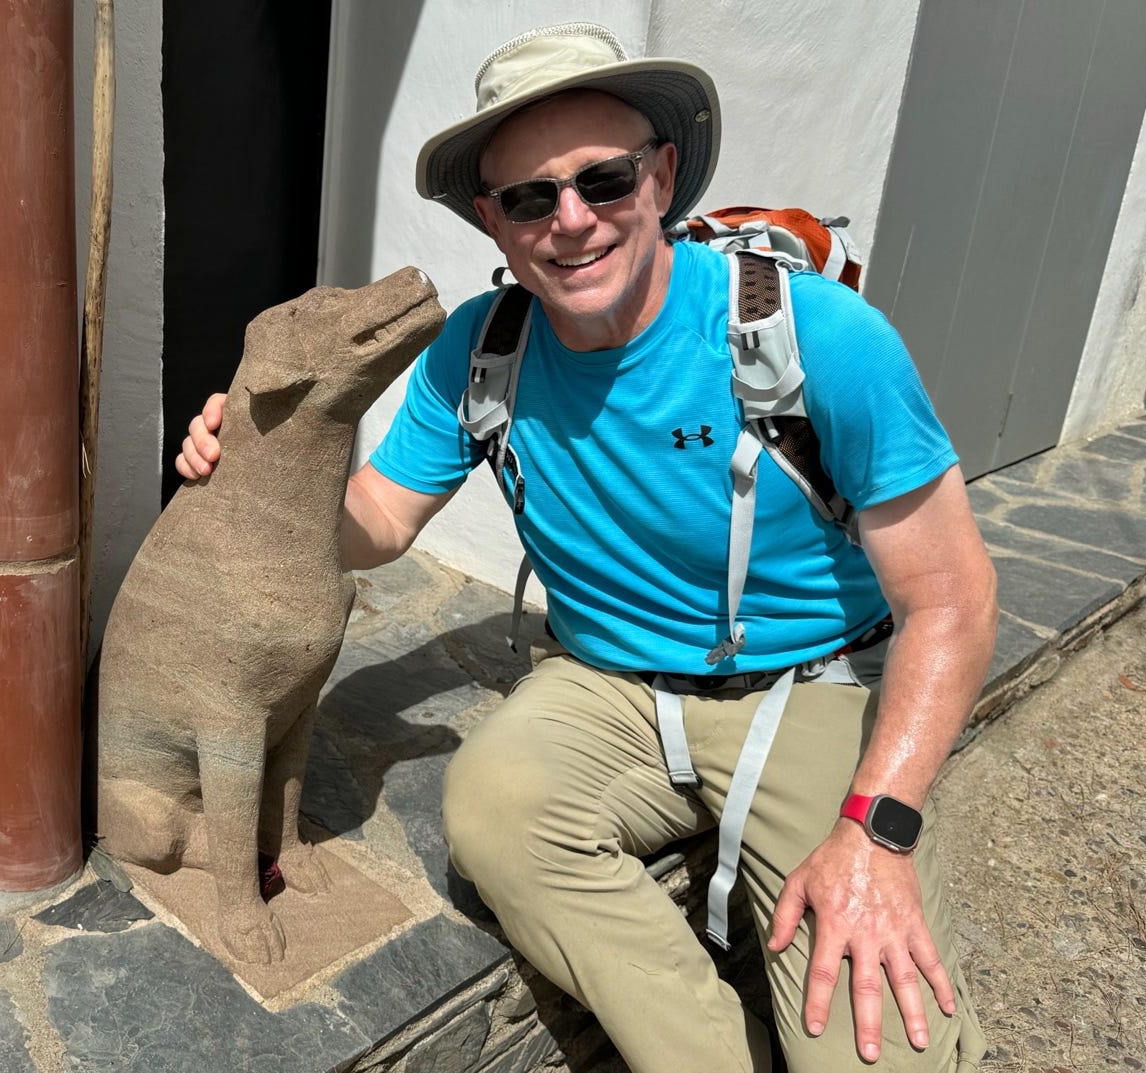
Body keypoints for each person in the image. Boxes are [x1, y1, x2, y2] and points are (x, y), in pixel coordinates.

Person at [178, 22, 995, 1073]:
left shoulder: (814, 337)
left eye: (603, 180)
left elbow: (954, 600)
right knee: (491, 809)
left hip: (812, 686)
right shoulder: (481, 348)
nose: (571, 221)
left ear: (660, 178)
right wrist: (264, 476)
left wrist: (877, 832)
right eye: (529, 197)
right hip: (608, 681)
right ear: (493, 220)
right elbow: (376, 523)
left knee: (885, 1043)